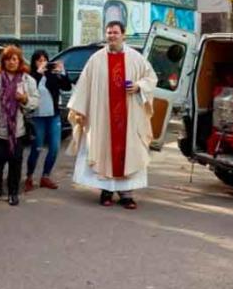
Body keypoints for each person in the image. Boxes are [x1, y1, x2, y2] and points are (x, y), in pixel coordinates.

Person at [67, 21, 157, 209]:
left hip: (129, 116)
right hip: (103, 117)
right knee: (104, 150)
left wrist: (139, 86)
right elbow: (84, 84)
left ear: (123, 34)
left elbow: (151, 78)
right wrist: (79, 109)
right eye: (109, 33)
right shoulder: (96, 59)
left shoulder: (136, 58)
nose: (112, 36)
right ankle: (106, 192)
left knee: (129, 153)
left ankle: (127, 195)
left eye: (115, 32)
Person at [0, 46, 39, 206]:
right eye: (8, 59)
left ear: (19, 61)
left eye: (14, 59)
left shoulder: (27, 80)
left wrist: (25, 99)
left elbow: (35, 102)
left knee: (16, 161)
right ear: (3, 61)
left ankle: (13, 192)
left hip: (18, 130)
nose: (11, 62)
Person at [24, 50, 72, 192]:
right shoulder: (30, 76)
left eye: (45, 60)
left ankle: (46, 176)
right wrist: (39, 73)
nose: (42, 62)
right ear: (34, 62)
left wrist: (62, 72)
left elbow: (66, 87)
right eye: (39, 60)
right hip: (38, 116)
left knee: (54, 147)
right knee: (37, 147)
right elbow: (30, 89)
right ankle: (29, 176)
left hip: (53, 115)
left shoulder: (52, 75)